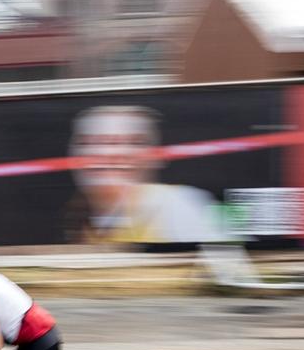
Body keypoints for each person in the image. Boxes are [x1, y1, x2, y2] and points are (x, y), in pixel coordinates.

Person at [65, 105, 223, 249]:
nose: (107, 152)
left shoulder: (183, 203)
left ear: (157, 158)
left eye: (132, 142)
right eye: (88, 142)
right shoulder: (82, 223)